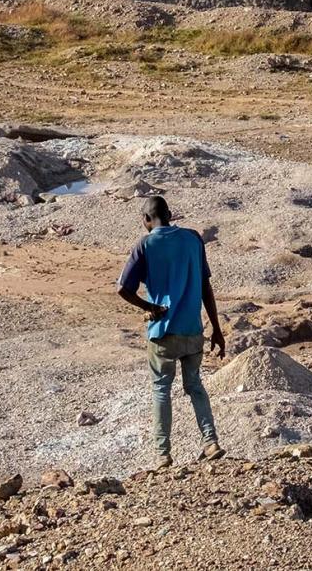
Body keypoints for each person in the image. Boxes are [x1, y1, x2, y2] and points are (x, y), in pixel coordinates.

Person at [116, 195, 226, 467]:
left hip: (163, 331)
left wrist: (149, 306)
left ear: (146, 219)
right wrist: (217, 328)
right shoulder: (193, 239)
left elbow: (122, 289)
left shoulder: (145, 244)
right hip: (193, 330)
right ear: (170, 213)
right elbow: (205, 286)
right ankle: (210, 442)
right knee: (195, 386)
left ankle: (163, 454)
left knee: (162, 389)